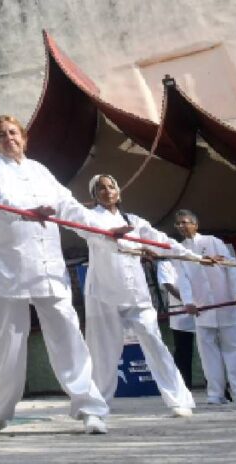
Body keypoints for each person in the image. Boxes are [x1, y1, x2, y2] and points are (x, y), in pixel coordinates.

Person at [0, 115, 126, 437]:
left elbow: (69, 208)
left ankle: (90, 409)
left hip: (47, 268)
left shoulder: (41, 172)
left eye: (13, 133)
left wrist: (108, 230)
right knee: (6, 344)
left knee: (69, 335)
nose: (8, 138)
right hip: (7, 269)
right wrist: (31, 212)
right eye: (1, 135)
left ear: (24, 138)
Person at [79, 175, 203, 417]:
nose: (107, 191)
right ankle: (96, 407)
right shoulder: (90, 218)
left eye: (111, 186)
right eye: (100, 188)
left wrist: (196, 257)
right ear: (94, 195)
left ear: (118, 192)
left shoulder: (133, 221)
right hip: (104, 295)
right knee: (102, 353)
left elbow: (162, 242)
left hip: (136, 294)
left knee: (155, 343)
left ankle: (179, 400)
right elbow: (99, 238)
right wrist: (132, 246)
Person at [172, 209, 236, 408]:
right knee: (208, 355)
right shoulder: (179, 250)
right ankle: (216, 394)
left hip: (226, 305)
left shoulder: (213, 242)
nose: (182, 226)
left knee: (235, 352)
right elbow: (182, 279)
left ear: (195, 224)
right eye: (179, 224)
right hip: (203, 309)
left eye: (185, 222)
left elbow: (231, 268)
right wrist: (188, 302)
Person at [157, 260, 196, 388]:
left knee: (208, 351)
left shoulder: (189, 259)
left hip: (201, 308)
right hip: (180, 311)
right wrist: (187, 301)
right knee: (183, 352)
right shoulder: (164, 263)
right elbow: (168, 285)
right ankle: (185, 386)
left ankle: (218, 388)